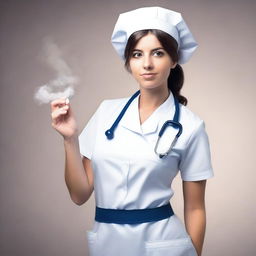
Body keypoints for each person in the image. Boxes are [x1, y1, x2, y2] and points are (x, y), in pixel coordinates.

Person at [50, 6, 213, 256]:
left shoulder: (191, 126)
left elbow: (195, 208)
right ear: (128, 61)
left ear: (174, 58)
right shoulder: (106, 112)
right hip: (108, 244)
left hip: (164, 243)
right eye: (137, 54)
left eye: (158, 53)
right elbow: (79, 194)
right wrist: (69, 138)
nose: (147, 64)